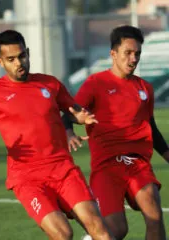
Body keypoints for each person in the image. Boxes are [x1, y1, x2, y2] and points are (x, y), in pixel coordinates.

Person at [0, 29, 114, 240]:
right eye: (11, 59)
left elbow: (73, 111)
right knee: (63, 234)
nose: (18, 63)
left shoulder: (50, 84)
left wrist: (81, 119)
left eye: (21, 56)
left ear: (28, 53)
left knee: (100, 230)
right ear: (1, 62)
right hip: (27, 179)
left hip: (63, 169)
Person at [64, 25, 167, 240]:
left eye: (137, 53)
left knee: (155, 217)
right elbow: (70, 111)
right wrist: (69, 132)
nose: (133, 58)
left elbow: (152, 129)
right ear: (113, 54)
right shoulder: (95, 83)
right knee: (117, 230)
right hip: (107, 166)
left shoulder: (145, 88)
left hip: (137, 164)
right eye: (128, 53)